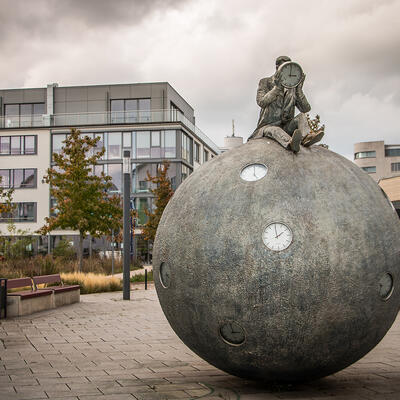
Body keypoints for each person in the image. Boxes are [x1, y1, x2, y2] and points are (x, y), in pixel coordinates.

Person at [249, 56, 324, 152]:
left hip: (286, 126)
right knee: (275, 130)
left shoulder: (292, 88)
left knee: (301, 116)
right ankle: (290, 143)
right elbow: (262, 102)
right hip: (268, 126)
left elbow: (305, 109)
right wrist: (277, 88)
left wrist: (299, 90)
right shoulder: (265, 82)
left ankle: (307, 137)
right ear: (278, 68)